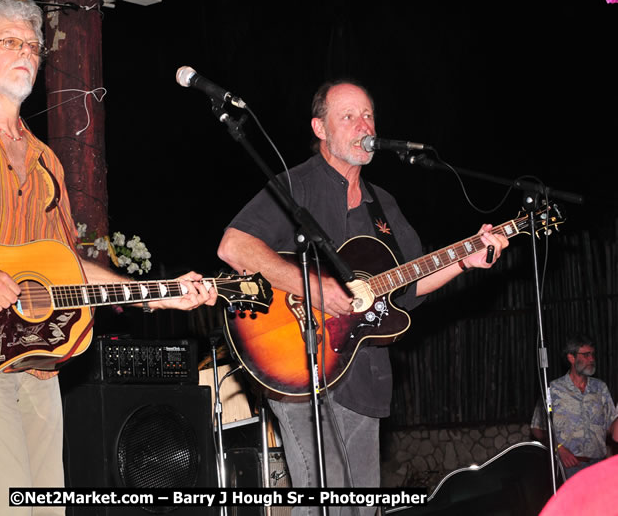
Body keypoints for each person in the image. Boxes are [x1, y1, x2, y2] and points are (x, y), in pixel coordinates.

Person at [0, 0, 216, 515]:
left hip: (38, 363)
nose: (27, 51)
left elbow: (68, 267)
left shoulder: (46, 159)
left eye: (31, 44)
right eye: (10, 42)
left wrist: (159, 298)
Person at [217, 79, 509, 516]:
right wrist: (312, 287)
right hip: (298, 363)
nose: (363, 125)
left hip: (364, 375)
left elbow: (411, 282)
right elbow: (233, 247)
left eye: (368, 115)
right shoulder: (296, 184)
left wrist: (467, 258)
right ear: (320, 128)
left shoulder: (382, 204)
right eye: (348, 116)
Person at [530, 336, 618, 478]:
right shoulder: (553, 389)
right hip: (568, 467)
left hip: (598, 465)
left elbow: (611, 427)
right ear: (571, 358)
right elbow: (537, 428)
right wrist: (558, 448)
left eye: (592, 354)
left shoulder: (600, 387)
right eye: (586, 355)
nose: (591, 359)